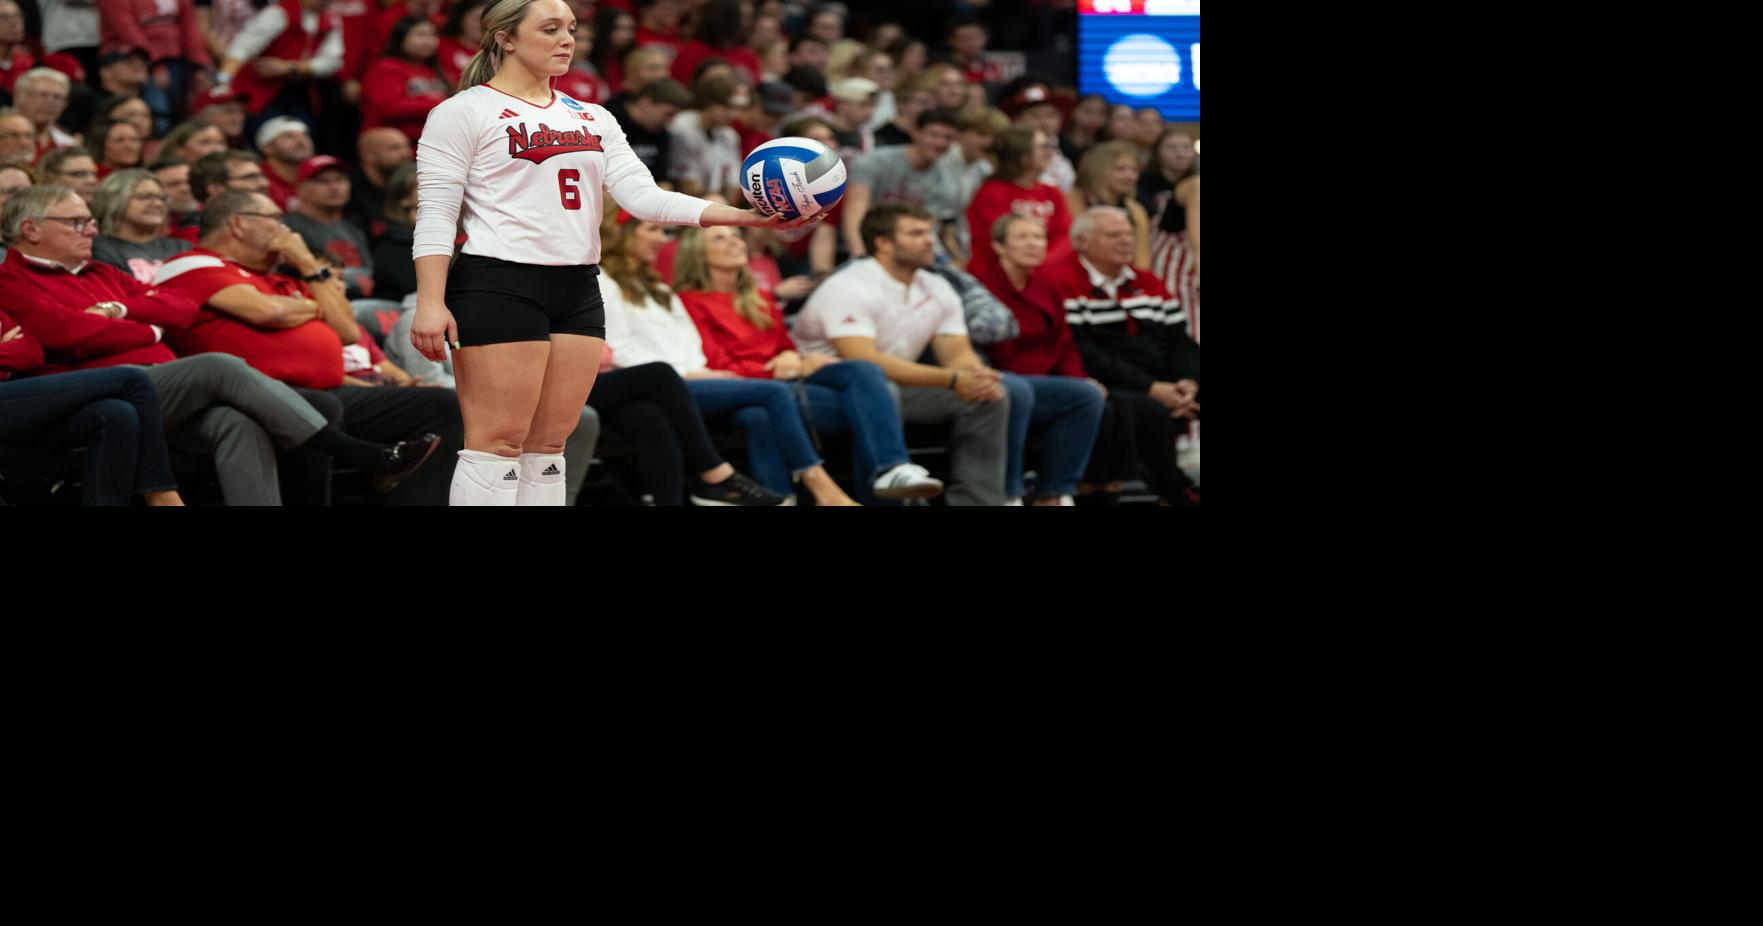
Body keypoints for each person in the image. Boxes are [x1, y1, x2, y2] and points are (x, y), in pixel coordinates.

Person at [408, 0, 825, 506]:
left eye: (572, 29)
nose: (568, 39)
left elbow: (645, 197)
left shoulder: (594, 116)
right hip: (499, 281)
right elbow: (434, 214)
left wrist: (745, 216)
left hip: (578, 285)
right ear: (505, 38)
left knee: (548, 446)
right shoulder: (462, 111)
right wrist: (431, 302)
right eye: (551, 28)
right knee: (496, 445)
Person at [673, 223, 944, 502]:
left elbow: (785, 347)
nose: (735, 243)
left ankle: (891, 470)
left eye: (736, 236)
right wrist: (783, 369)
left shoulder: (760, 298)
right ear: (698, 254)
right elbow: (717, 367)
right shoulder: (689, 302)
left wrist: (795, 358)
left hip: (787, 382)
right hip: (753, 392)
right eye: (720, 238)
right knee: (855, 408)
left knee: (863, 370)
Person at [793, 204, 1015, 506]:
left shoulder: (936, 285)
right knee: (884, 390)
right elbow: (864, 359)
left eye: (929, 232)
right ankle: (888, 498)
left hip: (895, 385)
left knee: (988, 396)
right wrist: (952, 379)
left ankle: (979, 501)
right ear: (883, 243)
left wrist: (975, 375)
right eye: (916, 233)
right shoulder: (849, 285)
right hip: (823, 389)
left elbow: (957, 353)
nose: (930, 241)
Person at [1040, 206, 1200, 505]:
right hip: (1105, 381)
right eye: (1113, 235)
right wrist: (1152, 388)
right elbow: (1083, 352)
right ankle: (1170, 488)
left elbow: (1181, 342)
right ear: (1082, 242)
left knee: (1159, 401)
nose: (1125, 241)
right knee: (1137, 408)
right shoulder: (1061, 282)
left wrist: (1188, 382)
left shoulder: (1147, 281)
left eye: (1129, 234)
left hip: (1162, 382)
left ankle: (1173, 487)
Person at [964, 126, 1070, 284]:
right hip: (996, 279)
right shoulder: (992, 192)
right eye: (1042, 147)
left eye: (1050, 146)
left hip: (1043, 275)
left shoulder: (1052, 193)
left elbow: (1064, 237)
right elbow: (994, 241)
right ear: (1020, 152)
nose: (1049, 152)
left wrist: (1044, 264)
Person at [89, 168, 192, 282]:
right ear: (115, 200)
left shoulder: (182, 247)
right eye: (145, 197)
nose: (157, 203)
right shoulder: (98, 249)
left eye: (161, 198)